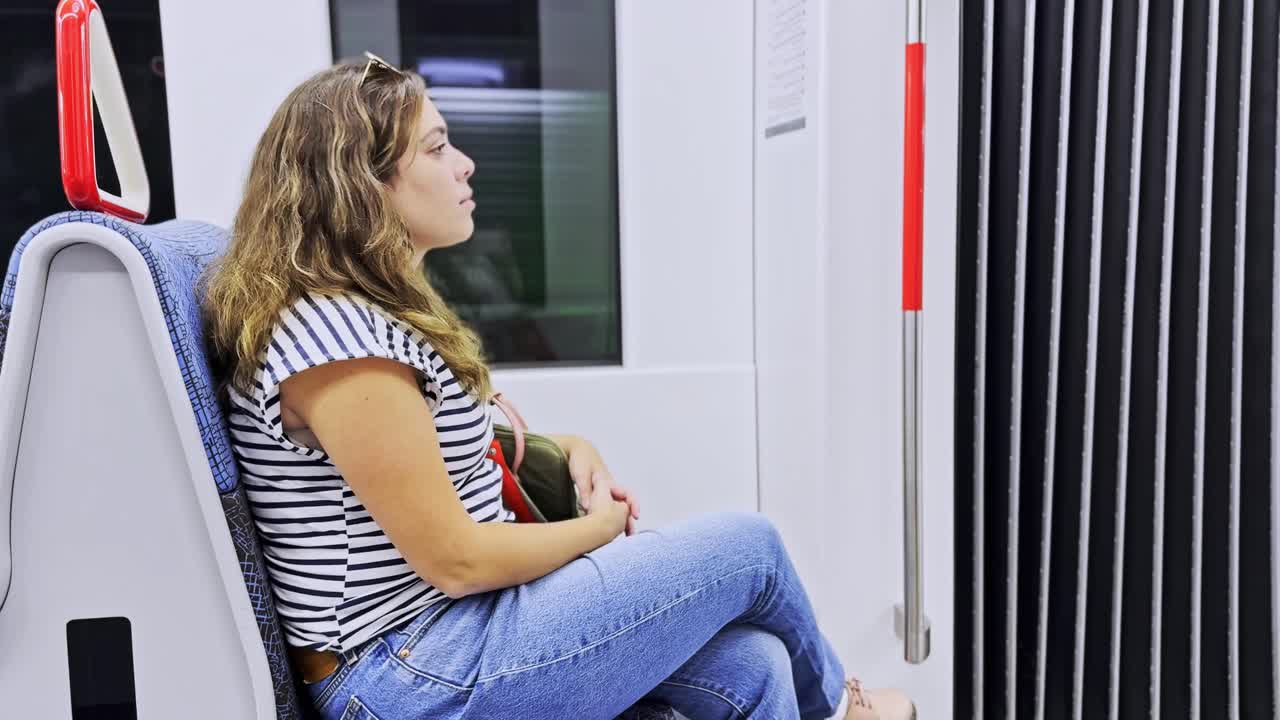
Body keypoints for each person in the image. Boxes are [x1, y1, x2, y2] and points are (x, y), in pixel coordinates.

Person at [202, 55, 915, 720]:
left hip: (451, 634)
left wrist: (570, 446)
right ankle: (846, 709)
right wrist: (599, 533)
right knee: (751, 547)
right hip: (404, 669)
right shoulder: (337, 343)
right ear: (361, 180)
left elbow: (433, 457)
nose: (466, 165)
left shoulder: (364, 317)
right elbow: (455, 559)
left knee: (754, 666)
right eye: (438, 147)